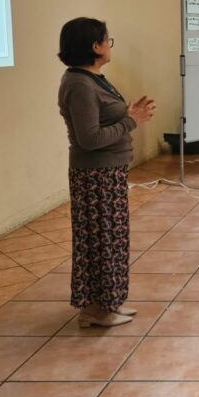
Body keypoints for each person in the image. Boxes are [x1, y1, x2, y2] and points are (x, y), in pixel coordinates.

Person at [57, 17, 155, 328]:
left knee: (111, 240)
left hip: (109, 172)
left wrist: (128, 113)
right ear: (94, 46)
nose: (110, 45)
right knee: (101, 243)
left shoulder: (94, 78)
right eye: (106, 40)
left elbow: (103, 118)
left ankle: (107, 303)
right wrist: (132, 121)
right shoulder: (79, 85)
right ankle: (96, 309)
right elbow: (90, 139)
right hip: (95, 176)